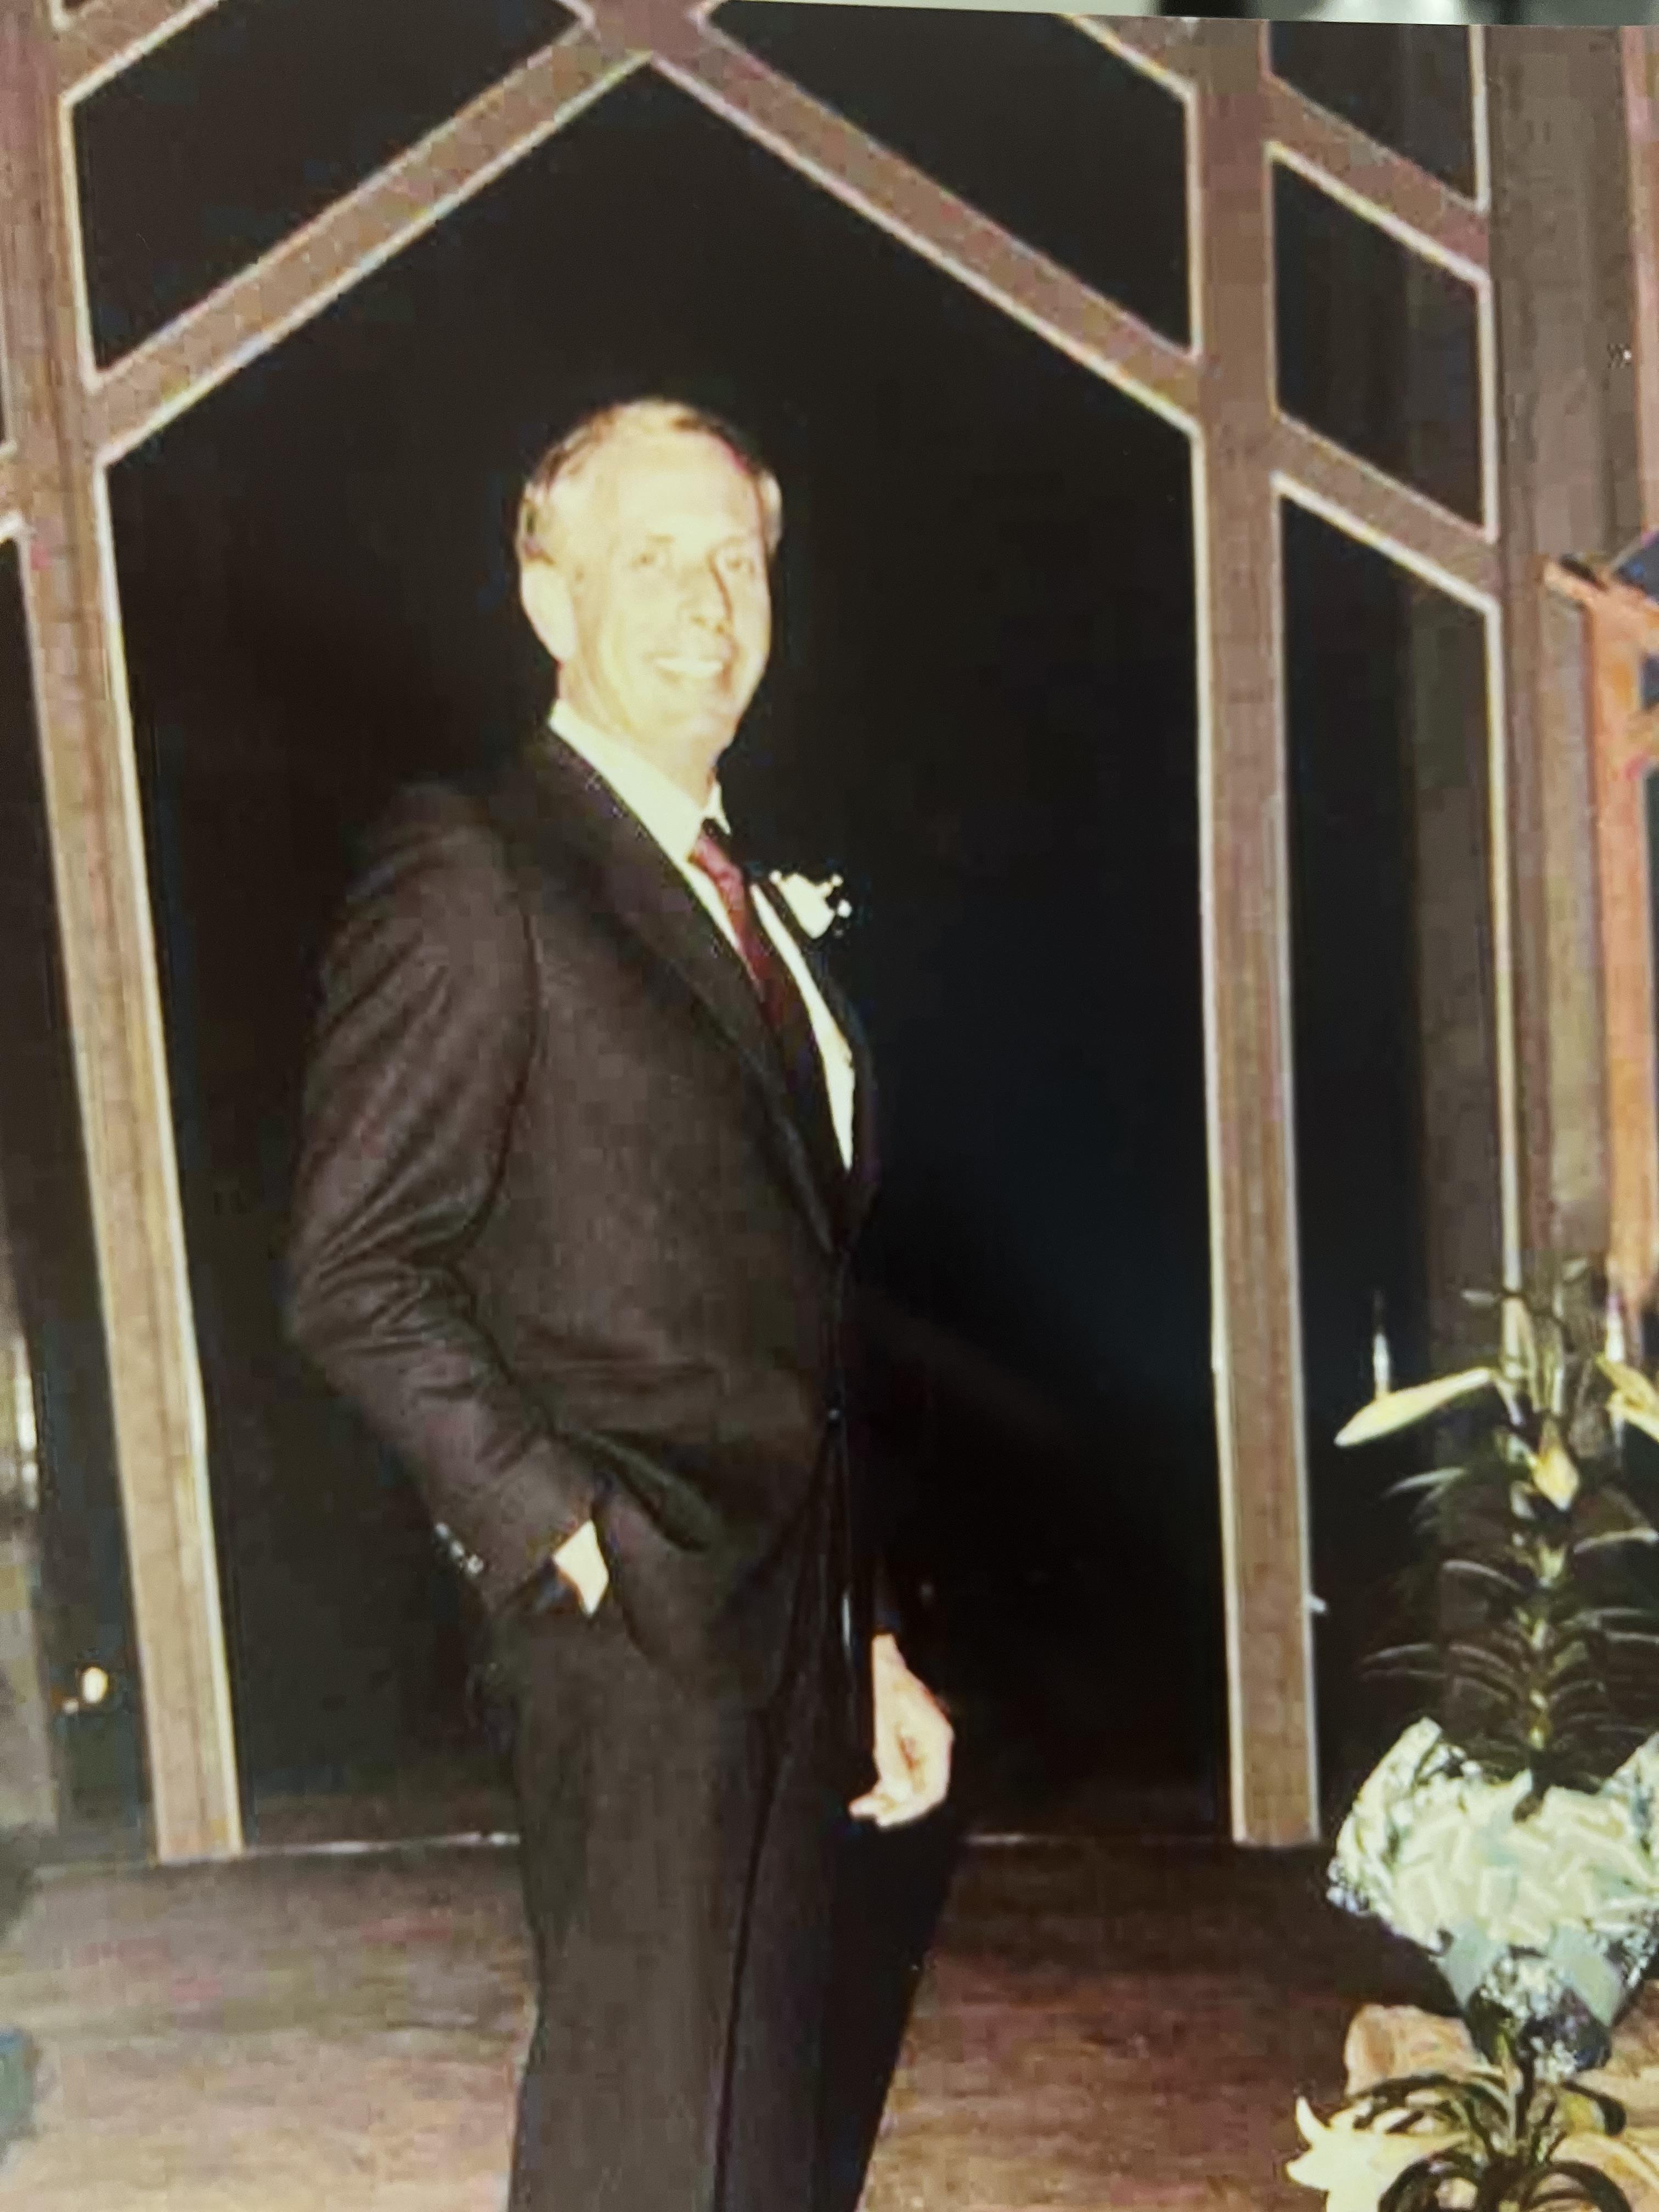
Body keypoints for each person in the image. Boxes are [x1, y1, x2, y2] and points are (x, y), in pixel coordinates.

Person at [284, 396, 953, 2212]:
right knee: (645, 2147)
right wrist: (571, 1537)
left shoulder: (757, 906)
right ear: (547, 597)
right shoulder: (479, 865)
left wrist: (865, 1630)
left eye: (733, 558)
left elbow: (797, 1307)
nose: (703, 599)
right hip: (640, 1637)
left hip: (794, 1634)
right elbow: (351, 1269)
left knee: (771, 2152)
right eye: (649, 557)